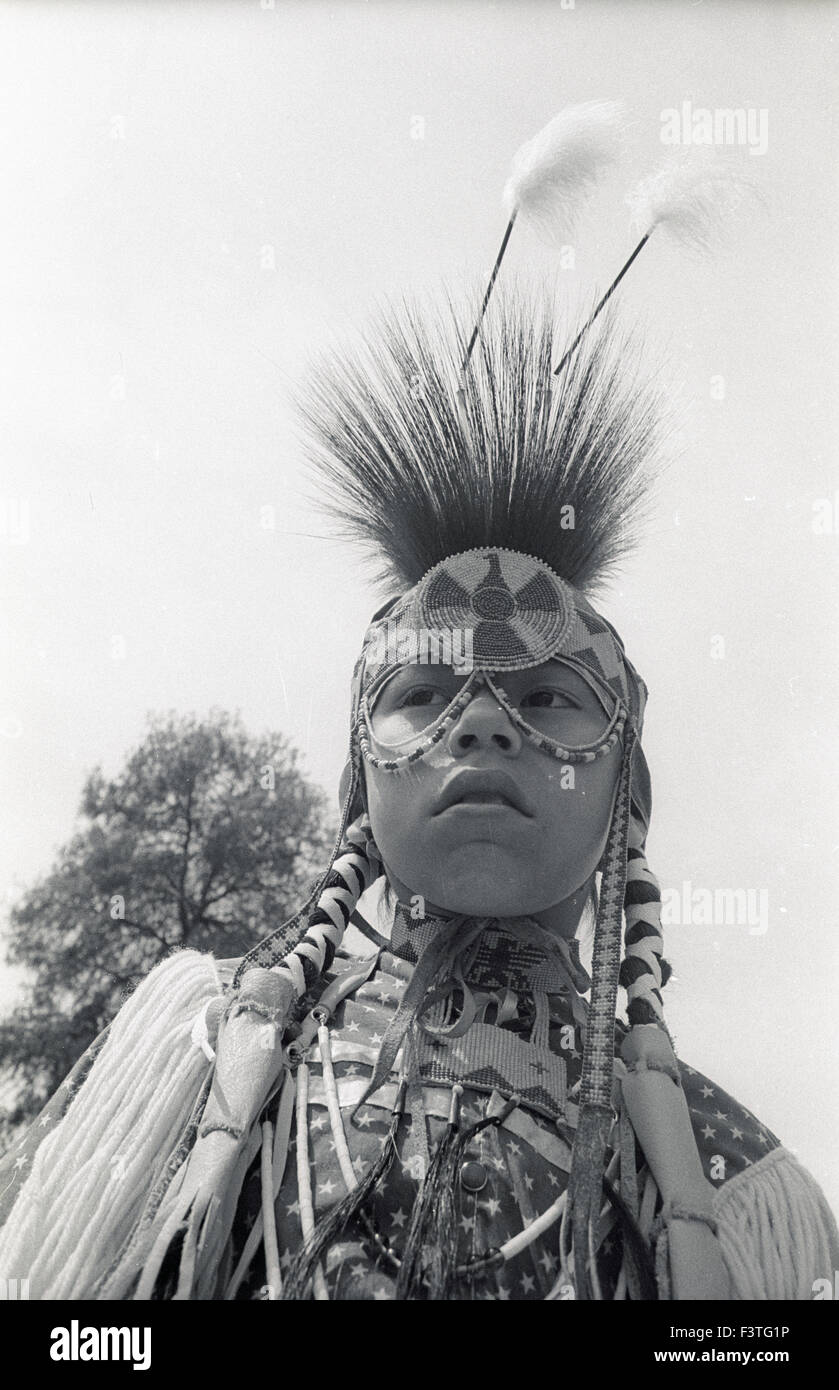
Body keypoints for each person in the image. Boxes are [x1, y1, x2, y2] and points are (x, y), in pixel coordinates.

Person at [0, 292, 836, 1302]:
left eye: (545, 696)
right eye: (423, 695)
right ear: (358, 780)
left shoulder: (733, 1183)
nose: (481, 726)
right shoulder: (199, 1065)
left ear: (627, 793)